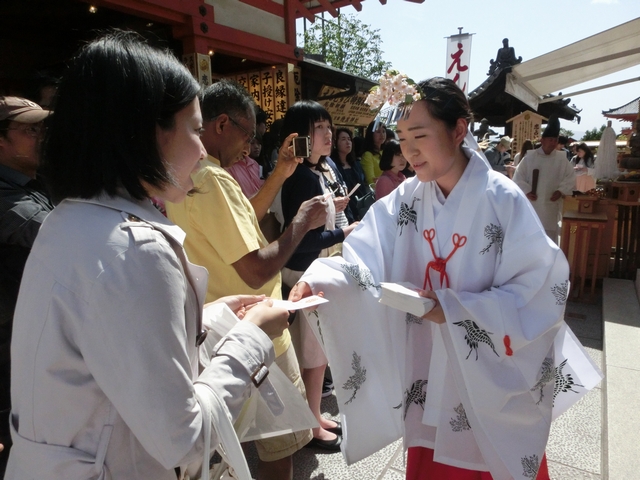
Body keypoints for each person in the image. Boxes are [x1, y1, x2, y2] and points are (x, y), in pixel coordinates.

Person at [6, 31, 291, 480]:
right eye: (194, 129)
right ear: (144, 132)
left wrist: (212, 317)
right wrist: (252, 338)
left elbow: (111, 343)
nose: (201, 149)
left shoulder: (70, 218)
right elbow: (185, 440)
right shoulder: (136, 247)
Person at [289, 77, 599, 480]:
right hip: (427, 358)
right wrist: (323, 279)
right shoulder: (406, 198)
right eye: (401, 137)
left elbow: (541, 289)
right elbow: (366, 256)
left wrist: (452, 309)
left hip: (485, 374)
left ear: (458, 130)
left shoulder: (502, 199)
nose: (409, 151)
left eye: (420, 135)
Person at [166, 79, 327, 480]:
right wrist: (302, 222)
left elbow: (241, 226)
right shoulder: (216, 179)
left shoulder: (193, 175)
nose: (249, 145)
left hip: (218, 329)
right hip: (259, 330)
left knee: (226, 447)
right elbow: (256, 266)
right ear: (222, 124)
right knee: (279, 444)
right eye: (248, 134)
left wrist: (281, 173)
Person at [280, 100, 358, 452]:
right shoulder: (298, 176)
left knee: (320, 353)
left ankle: (314, 415)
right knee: (311, 355)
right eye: (319, 128)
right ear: (300, 136)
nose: (328, 134)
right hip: (306, 272)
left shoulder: (323, 169)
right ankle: (311, 423)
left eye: (329, 127)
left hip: (323, 268)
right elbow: (301, 242)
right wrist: (344, 232)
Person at [0, 96, 53, 476]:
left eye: (41, 129)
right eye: (29, 130)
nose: (41, 138)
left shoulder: (29, 183)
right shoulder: (8, 200)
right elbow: (58, 236)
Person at [513, 115, 576, 244]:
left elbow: (570, 177)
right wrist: (526, 191)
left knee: (549, 236)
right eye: (550, 140)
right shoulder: (529, 158)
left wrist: (561, 190)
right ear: (542, 140)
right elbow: (518, 176)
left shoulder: (561, 159)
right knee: (530, 235)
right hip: (532, 204)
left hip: (551, 205)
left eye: (555, 140)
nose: (553, 143)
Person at [331, 127, 368, 220]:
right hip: (345, 210)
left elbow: (362, 187)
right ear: (335, 143)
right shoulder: (333, 166)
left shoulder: (355, 164)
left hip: (361, 207)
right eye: (343, 139)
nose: (348, 142)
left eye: (349, 139)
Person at [360, 120, 386, 185]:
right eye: (378, 132)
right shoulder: (368, 155)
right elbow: (371, 181)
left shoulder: (385, 152)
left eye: (383, 131)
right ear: (371, 134)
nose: (382, 134)